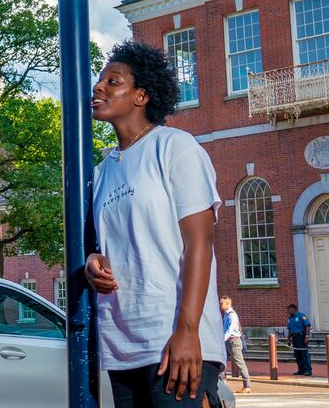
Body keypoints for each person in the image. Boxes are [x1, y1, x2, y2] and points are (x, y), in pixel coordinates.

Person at [85, 41, 225, 407]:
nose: (98, 87)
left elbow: (199, 243)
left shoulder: (175, 147)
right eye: (100, 80)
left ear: (142, 96)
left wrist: (187, 331)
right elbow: (109, 246)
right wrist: (92, 262)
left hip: (174, 341)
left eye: (113, 81)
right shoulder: (102, 172)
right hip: (122, 344)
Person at [220, 297, 250, 393]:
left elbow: (230, 329)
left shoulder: (232, 315)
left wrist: (222, 339)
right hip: (228, 341)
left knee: (240, 363)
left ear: (228, 304)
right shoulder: (226, 315)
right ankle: (221, 384)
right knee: (221, 361)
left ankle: (247, 386)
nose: (220, 306)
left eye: (222, 304)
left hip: (233, 341)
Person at [287, 303, 313, 376]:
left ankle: (308, 370)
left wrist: (307, 336)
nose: (288, 311)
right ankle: (301, 369)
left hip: (301, 336)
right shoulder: (290, 318)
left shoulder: (301, 316)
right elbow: (290, 329)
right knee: (297, 354)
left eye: (289, 309)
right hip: (294, 338)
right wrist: (288, 339)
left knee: (304, 354)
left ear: (293, 309)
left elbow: (307, 326)